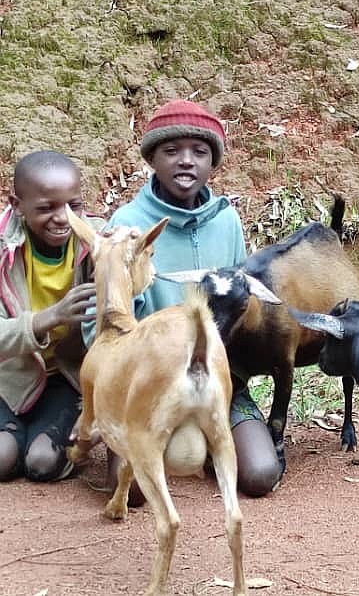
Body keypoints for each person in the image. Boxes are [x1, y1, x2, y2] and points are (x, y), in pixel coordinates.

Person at [105, 100, 281, 498]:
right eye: (171, 151)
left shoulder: (227, 221)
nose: (186, 162)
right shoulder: (127, 226)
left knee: (259, 474)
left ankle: (202, 434)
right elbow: (107, 325)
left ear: (213, 161)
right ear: (152, 157)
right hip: (149, 378)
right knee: (131, 490)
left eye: (199, 152)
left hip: (218, 376)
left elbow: (241, 304)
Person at [1, 150, 99, 482]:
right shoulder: (4, 249)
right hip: (9, 378)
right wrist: (50, 316)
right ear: (17, 205)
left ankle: (37, 441)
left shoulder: (96, 243)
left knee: (42, 462)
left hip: (65, 377)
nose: (63, 218)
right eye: (46, 208)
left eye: (74, 206)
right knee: (2, 458)